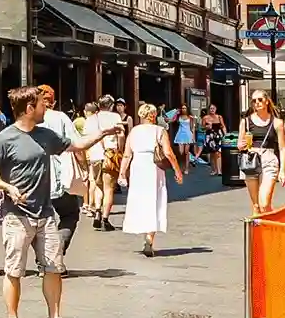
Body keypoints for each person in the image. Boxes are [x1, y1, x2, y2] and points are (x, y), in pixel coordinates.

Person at [0, 86, 111, 318]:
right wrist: (8, 187)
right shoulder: (4, 139)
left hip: (46, 213)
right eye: (41, 104)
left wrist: (103, 133)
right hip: (17, 216)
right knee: (14, 272)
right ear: (29, 108)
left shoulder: (45, 135)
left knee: (53, 268)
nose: (45, 108)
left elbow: (77, 145)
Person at [121, 102, 184, 256]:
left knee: (140, 199)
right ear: (154, 115)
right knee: (155, 200)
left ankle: (144, 232)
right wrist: (177, 170)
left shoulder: (134, 132)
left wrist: (122, 172)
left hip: (137, 167)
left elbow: (127, 154)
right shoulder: (159, 131)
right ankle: (149, 237)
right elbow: (168, 153)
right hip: (153, 167)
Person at [38, 86, 85, 255]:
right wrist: (84, 168)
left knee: (37, 221)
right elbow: (77, 146)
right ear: (54, 102)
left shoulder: (28, 118)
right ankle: (56, 251)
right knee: (70, 214)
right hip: (59, 176)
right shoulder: (61, 117)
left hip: (33, 178)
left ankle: (44, 256)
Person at [240, 91, 285, 217]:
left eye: (260, 100)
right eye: (254, 101)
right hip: (251, 160)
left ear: (266, 101)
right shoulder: (245, 122)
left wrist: (282, 170)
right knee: (256, 206)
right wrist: (242, 145)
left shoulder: (277, 122)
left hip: (269, 158)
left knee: (264, 204)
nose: (257, 103)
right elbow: (239, 144)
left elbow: (282, 147)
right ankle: (258, 235)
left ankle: (274, 226)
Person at [84, 95, 124, 230]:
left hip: (95, 155)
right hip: (110, 155)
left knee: (98, 185)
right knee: (109, 188)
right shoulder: (115, 117)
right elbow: (121, 135)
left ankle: (97, 212)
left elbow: (86, 138)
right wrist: (121, 149)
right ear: (111, 106)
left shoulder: (90, 119)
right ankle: (105, 218)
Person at [201, 105, 227, 174]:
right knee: (212, 153)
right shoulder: (205, 118)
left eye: (213, 108)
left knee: (218, 153)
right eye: (211, 108)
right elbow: (202, 128)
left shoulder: (219, 117)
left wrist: (226, 135)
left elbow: (223, 126)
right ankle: (214, 170)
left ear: (216, 109)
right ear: (209, 109)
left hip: (218, 136)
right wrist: (207, 127)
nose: (212, 110)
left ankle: (219, 171)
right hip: (210, 136)